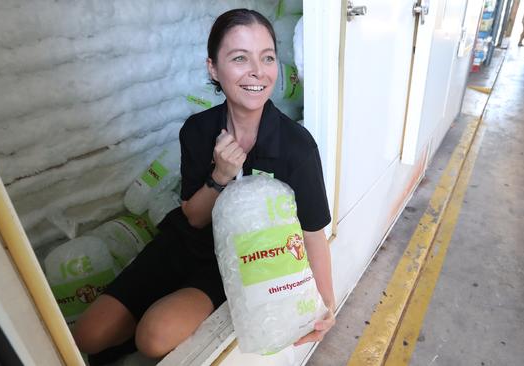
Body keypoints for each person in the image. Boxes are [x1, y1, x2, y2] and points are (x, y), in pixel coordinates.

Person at [72, 8, 336, 364]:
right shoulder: (197, 130)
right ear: (213, 68)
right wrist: (220, 176)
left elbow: (313, 234)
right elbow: (194, 218)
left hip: (238, 260)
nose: (258, 71)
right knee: (87, 334)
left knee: (153, 337)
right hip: (184, 243)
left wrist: (326, 305)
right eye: (239, 58)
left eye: (267, 57)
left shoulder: (296, 147)